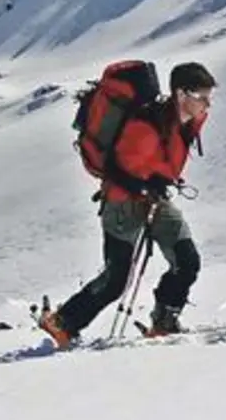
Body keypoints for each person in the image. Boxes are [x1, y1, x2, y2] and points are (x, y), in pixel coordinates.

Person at [42, 62, 216, 346]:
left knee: (187, 261)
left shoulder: (183, 123)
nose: (207, 104)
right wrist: (147, 184)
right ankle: (63, 322)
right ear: (181, 95)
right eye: (202, 97)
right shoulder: (147, 126)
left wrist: (155, 185)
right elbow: (116, 169)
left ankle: (164, 321)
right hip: (122, 205)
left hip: (155, 201)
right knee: (115, 280)